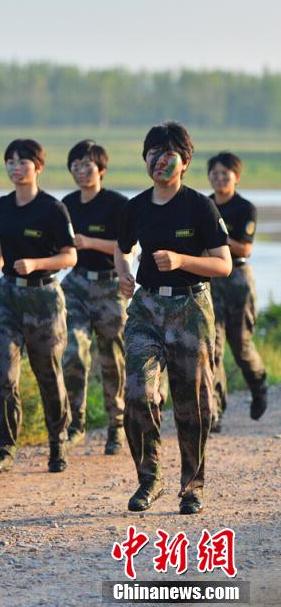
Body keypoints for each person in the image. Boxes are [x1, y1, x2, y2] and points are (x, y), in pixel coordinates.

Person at [114, 121, 231, 515]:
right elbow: (122, 248)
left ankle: (192, 485)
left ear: (184, 162)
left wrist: (182, 260)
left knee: (191, 402)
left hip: (191, 307)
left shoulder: (200, 206)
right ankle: (149, 478)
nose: (159, 160)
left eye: (168, 154)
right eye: (152, 153)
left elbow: (224, 265)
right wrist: (124, 273)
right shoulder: (136, 207)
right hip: (146, 308)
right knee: (137, 393)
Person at [0, 139, 76, 474]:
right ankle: (5, 448)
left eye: (23, 161)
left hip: (44, 299)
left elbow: (70, 255)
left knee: (48, 373)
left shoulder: (53, 209)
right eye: (10, 161)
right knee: (6, 374)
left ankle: (58, 441)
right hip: (7, 297)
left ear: (38, 167)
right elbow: (4, 241)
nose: (15, 167)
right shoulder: (1, 205)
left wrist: (36, 263)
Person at [60, 140, 129, 454]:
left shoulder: (117, 204)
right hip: (75, 285)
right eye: (75, 166)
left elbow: (127, 246)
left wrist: (88, 241)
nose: (81, 171)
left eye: (87, 166)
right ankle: (76, 421)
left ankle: (116, 425)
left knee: (112, 357)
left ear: (101, 169)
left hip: (109, 286)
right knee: (73, 351)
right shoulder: (66, 204)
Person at [207, 152, 268, 427]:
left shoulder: (245, 208)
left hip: (239, 279)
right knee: (213, 346)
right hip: (211, 278)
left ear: (236, 177)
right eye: (215, 174)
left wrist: (218, 238)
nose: (220, 179)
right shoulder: (205, 206)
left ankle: (258, 386)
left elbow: (244, 248)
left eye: (225, 174)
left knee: (240, 345)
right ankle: (215, 411)